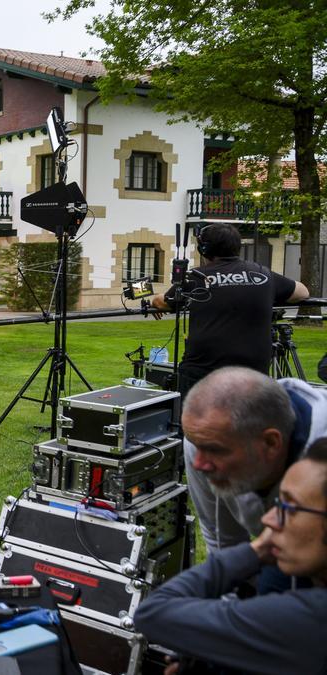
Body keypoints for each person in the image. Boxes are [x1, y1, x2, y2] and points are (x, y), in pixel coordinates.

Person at [134, 440, 327, 675]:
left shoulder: (306, 619)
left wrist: (255, 551)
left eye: (290, 507)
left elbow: (153, 613)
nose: (268, 520)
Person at [182, 367, 327, 558]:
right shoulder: (203, 439)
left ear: (271, 443)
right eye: (197, 445)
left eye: (216, 450)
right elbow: (222, 541)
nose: (199, 464)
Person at [151, 223, 307, 397]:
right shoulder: (262, 273)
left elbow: (163, 302)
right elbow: (302, 291)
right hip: (253, 373)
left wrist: (153, 298)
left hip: (203, 373)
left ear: (204, 249)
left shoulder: (196, 277)